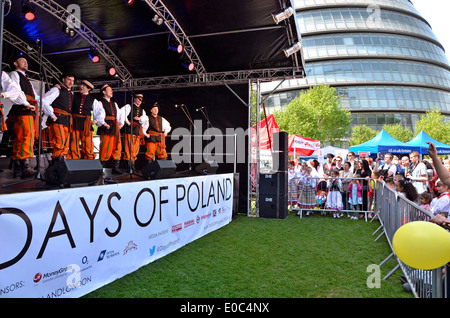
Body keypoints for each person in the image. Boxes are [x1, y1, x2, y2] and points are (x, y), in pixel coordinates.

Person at [8, 54, 43, 178]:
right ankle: (25, 167)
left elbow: (35, 96)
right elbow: (15, 91)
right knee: (27, 135)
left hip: (29, 107)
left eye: (26, 61)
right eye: (22, 61)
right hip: (24, 108)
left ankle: (18, 168)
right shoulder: (14, 74)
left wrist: (42, 104)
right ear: (15, 64)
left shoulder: (26, 78)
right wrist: (26, 103)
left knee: (23, 136)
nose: (25, 63)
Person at [43, 74, 75, 164]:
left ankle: (60, 164)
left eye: (72, 80)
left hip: (67, 120)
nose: (71, 82)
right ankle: (56, 163)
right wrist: (51, 114)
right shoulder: (57, 89)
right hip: (57, 118)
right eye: (69, 79)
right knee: (59, 141)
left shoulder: (71, 93)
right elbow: (45, 101)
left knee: (66, 143)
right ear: (63, 79)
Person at [67, 80, 102, 160]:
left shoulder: (93, 100)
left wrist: (96, 121)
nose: (81, 87)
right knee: (73, 142)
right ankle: (73, 160)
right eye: (81, 85)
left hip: (86, 123)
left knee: (88, 143)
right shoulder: (74, 95)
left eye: (84, 86)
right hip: (75, 121)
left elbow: (100, 111)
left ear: (89, 89)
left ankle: (90, 160)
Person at [96, 84, 125, 174]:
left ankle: (115, 167)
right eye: (109, 90)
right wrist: (104, 124)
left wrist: (121, 124)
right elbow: (97, 115)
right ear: (104, 92)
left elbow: (120, 114)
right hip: (106, 127)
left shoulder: (114, 104)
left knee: (117, 146)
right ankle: (101, 168)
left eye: (111, 90)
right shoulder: (100, 103)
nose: (111, 91)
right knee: (106, 147)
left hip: (114, 127)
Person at [122, 94, 148, 172]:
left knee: (135, 148)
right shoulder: (129, 106)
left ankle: (132, 166)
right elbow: (122, 113)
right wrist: (127, 121)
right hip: (129, 129)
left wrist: (139, 118)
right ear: (135, 99)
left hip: (137, 130)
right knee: (129, 147)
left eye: (141, 100)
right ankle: (128, 166)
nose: (140, 101)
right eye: (138, 99)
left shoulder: (142, 110)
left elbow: (145, 119)